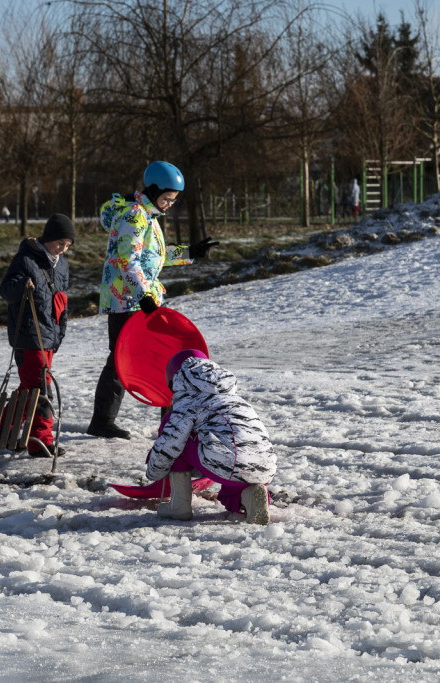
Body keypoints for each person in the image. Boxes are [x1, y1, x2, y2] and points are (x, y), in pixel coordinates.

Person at [86, 161, 218, 440]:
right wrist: (143, 295)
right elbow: (127, 259)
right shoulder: (134, 217)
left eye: (174, 200)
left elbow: (153, 257)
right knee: (121, 362)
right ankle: (103, 421)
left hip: (140, 299)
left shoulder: (148, 217)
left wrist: (190, 252)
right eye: (167, 198)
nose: (170, 204)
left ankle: (170, 423)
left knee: (166, 357)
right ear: (155, 189)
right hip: (128, 301)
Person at [146, 350, 276, 525]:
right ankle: (250, 496)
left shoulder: (188, 402)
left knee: (177, 438)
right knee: (233, 488)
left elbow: (169, 445)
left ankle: (179, 505)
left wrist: (153, 471)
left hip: (227, 461)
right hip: (264, 467)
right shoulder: (234, 399)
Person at [0, 213, 74, 457]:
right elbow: (6, 291)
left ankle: (4, 428)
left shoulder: (61, 264)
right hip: (29, 336)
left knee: (30, 388)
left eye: (67, 245)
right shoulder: (25, 259)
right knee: (41, 390)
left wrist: (60, 332)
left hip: (49, 337)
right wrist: (23, 286)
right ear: (48, 238)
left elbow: (62, 300)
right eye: (59, 243)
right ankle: (39, 441)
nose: (62, 249)